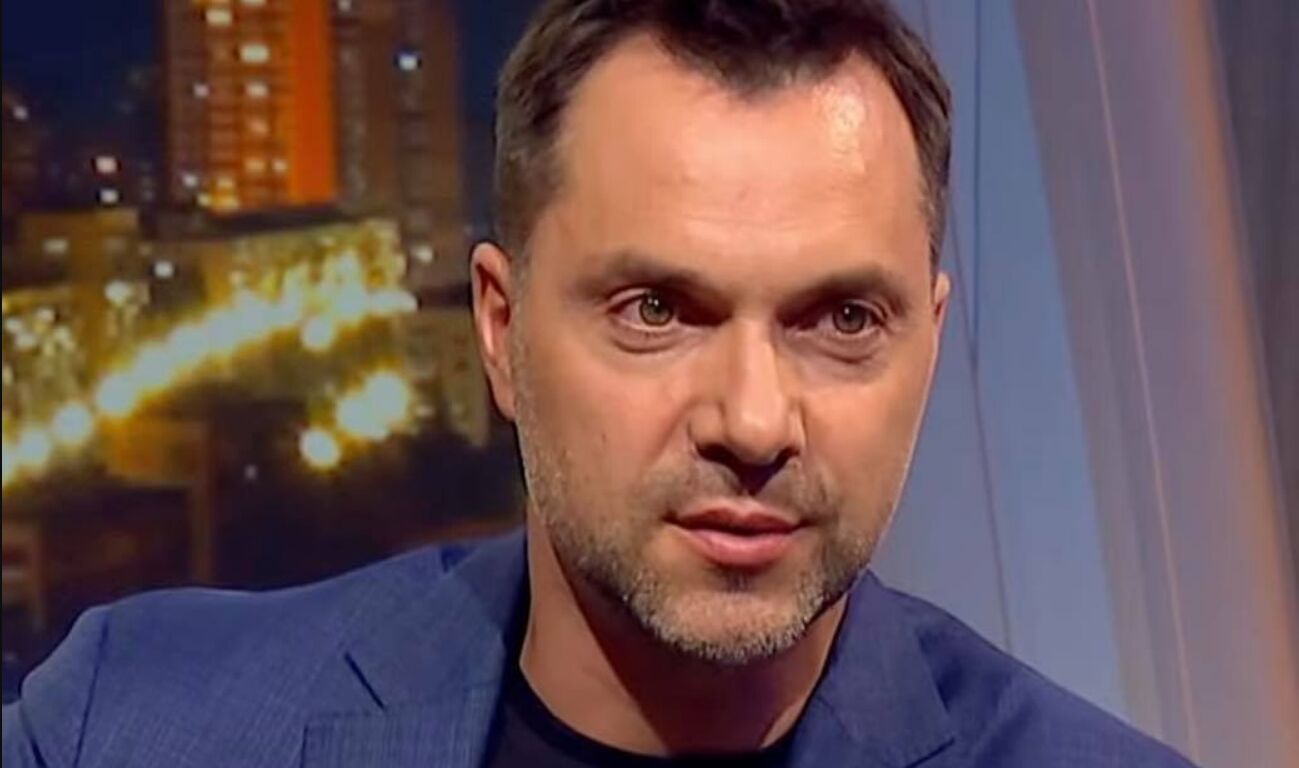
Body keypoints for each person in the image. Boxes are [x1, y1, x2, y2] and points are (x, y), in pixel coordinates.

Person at [3, 1, 1199, 766]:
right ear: (501, 330)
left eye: (842, 319)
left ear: (928, 345)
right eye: (656, 312)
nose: (752, 422)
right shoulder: (133, 724)